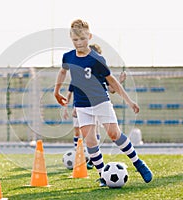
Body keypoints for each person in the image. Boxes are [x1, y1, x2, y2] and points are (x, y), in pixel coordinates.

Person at [54, 19, 153, 186]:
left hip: (101, 102)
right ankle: (102, 175)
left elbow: (112, 81)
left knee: (114, 134)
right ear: (71, 39)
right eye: (75, 40)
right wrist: (56, 91)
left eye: (83, 39)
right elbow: (63, 72)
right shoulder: (68, 56)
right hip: (82, 105)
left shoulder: (96, 59)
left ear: (89, 37)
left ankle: (138, 163)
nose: (79, 43)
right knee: (90, 141)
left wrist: (129, 101)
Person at [63, 43, 127, 169]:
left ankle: (92, 160)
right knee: (82, 133)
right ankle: (83, 156)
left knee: (100, 132)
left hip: (99, 105)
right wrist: (71, 107)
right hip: (83, 107)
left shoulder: (100, 72)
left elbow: (111, 89)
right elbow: (72, 92)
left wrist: (119, 82)